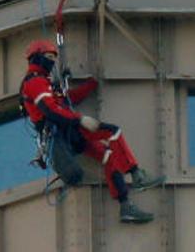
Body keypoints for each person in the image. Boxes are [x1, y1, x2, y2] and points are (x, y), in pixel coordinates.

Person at [20, 39, 164, 224]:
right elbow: (51, 110)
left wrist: (92, 84)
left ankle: (125, 206)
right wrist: (80, 119)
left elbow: (66, 100)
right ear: (37, 58)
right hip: (63, 132)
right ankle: (136, 174)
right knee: (112, 132)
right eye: (49, 57)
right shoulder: (35, 82)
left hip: (67, 133)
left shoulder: (43, 83)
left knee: (108, 156)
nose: (52, 62)